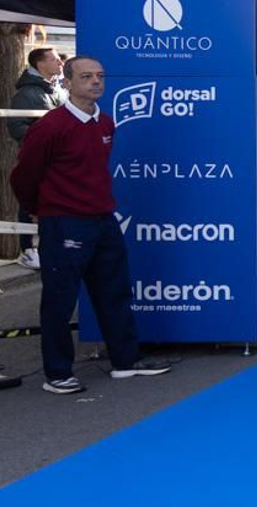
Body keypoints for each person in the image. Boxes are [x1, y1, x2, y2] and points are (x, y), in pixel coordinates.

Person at [10, 57, 171, 393]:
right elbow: (24, 175)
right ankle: (57, 374)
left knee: (114, 291)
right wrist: (38, 209)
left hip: (103, 220)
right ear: (67, 82)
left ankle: (125, 361)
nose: (96, 82)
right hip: (65, 223)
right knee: (60, 298)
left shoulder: (106, 123)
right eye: (86, 76)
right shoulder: (51, 126)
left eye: (100, 76)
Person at [7, 44, 66, 270]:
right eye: (54, 59)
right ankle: (28, 250)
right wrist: (40, 146)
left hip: (57, 161)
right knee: (29, 200)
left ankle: (46, 248)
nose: (60, 62)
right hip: (36, 160)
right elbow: (15, 125)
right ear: (40, 64)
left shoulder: (58, 90)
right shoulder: (26, 93)